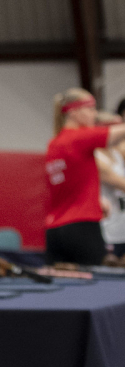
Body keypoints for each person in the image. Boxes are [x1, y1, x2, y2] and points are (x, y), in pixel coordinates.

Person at [44, 88, 125, 265]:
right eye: (90, 109)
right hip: (82, 228)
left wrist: (96, 200)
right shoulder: (79, 138)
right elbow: (117, 134)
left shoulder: (54, 144)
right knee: (98, 279)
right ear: (73, 112)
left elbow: (70, 184)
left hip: (55, 230)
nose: (94, 114)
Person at [97, 139, 125, 257]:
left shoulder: (116, 152)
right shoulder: (96, 157)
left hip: (122, 225)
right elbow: (118, 182)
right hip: (108, 229)